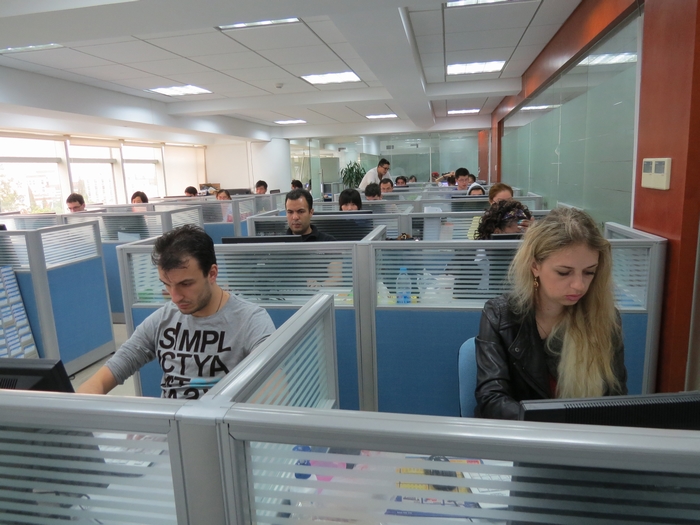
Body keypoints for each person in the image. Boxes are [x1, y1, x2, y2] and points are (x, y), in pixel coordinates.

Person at [78, 225, 275, 399]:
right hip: (169, 423)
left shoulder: (250, 321)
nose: (175, 297)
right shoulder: (164, 319)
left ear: (212, 274)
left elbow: (274, 388)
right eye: (167, 284)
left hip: (220, 425)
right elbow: (107, 374)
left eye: (185, 284)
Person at [475, 207, 627, 419]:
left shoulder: (604, 318)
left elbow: (616, 401)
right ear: (535, 266)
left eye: (589, 272)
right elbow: (492, 400)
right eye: (564, 272)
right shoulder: (500, 316)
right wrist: (556, 424)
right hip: (522, 435)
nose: (579, 285)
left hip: (584, 436)